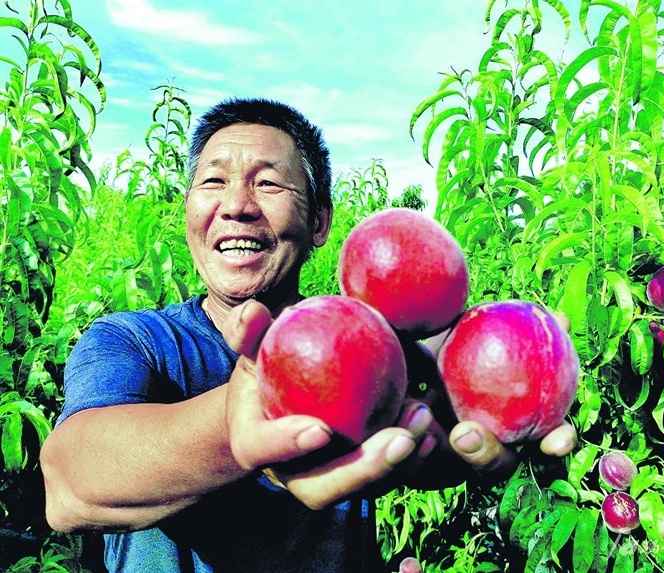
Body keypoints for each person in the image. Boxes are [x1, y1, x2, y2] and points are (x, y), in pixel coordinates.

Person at [39, 97, 577, 572]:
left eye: (269, 182)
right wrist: (249, 422)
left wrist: (464, 404)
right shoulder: (137, 341)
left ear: (320, 222)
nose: (237, 205)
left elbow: (427, 448)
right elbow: (71, 485)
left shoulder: (376, 348)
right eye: (212, 181)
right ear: (188, 215)